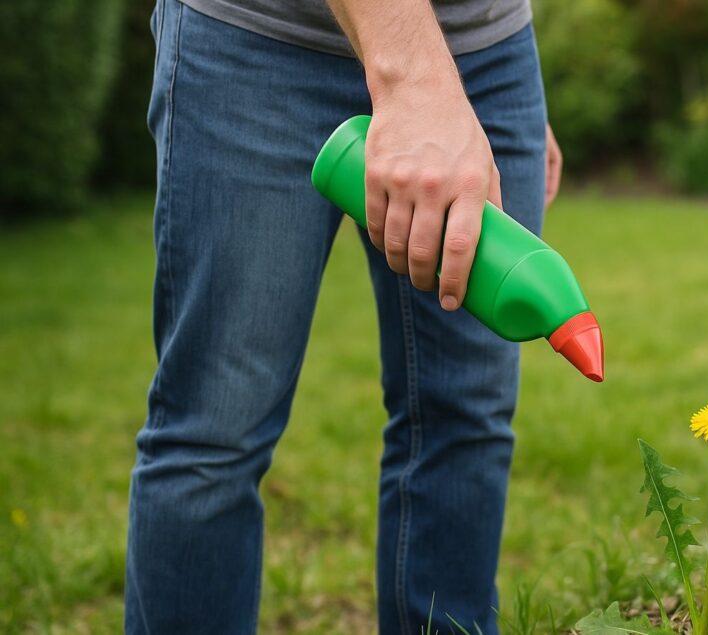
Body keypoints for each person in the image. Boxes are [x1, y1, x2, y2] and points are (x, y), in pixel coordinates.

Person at [124, 0, 562, 632]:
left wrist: (485, 66)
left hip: (482, 54)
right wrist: (415, 81)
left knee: (466, 417)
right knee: (214, 435)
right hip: (254, 42)